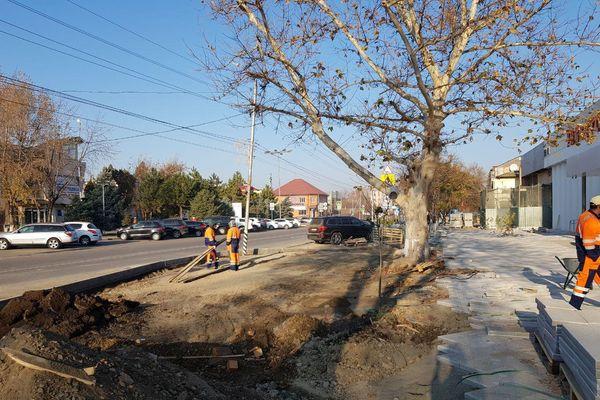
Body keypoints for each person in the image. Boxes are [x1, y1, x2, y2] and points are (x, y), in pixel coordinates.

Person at [570, 195, 600, 309]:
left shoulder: (585, 215)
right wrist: (594, 256)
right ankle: (574, 305)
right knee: (585, 281)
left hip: (590, 253)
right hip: (591, 254)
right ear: (598, 206)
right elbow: (588, 243)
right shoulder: (591, 222)